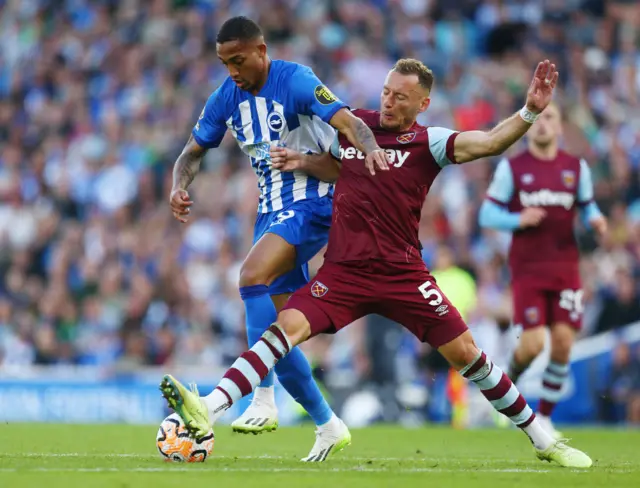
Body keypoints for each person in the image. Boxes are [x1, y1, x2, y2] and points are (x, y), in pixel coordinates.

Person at [162, 58, 592, 467]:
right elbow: (336, 168)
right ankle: (210, 408)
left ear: (422, 103)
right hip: (344, 272)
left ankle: (543, 439)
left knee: (468, 355)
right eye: (386, 92)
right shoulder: (353, 126)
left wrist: (530, 112)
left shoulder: (430, 142)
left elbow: (490, 141)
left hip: (403, 275)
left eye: (400, 97)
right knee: (283, 330)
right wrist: (302, 162)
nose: (388, 102)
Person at [168, 16, 389, 461]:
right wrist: (178, 185)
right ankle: (328, 424)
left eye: (239, 60)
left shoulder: (297, 80)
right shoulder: (226, 98)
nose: (232, 70)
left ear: (261, 51)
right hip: (272, 213)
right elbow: (191, 154)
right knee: (281, 333)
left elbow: (348, 122)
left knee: (250, 276)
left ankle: (261, 398)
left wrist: (373, 150)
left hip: (318, 201)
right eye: (224, 62)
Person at [479, 102, 607, 439]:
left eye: (550, 117)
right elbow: (487, 215)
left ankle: (546, 418)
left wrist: (595, 217)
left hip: (566, 268)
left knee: (564, 342)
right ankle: (511, 379)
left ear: (561, 126)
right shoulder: (513, 169)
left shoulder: (575, 168)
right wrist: (516, 219)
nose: (542, 124)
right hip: (529, 269)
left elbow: (587, 203)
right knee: (533, 344)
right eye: (536, 118)